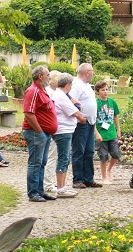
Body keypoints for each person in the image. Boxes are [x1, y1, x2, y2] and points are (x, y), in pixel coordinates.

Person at [21, 66, 57, 202]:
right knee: (35, 163)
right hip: (36, 132)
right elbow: (28, 113)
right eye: (48, 75)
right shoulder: (33, 91)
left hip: (43, 132)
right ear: (40, 76)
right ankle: (33, 192)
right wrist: (39, 131)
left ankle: (39, 191)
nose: (49, 77)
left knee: (42, 162)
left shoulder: (42, 90)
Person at [51, 74, 87, 197]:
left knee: (65, 158)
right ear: (68, 85)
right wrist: (83, 119)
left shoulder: (62, 95)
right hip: (63, 131)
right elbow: (75, 113)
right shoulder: (61, 96)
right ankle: (60, 188)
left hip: (65, 130)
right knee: (63, 159)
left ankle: (62, 186)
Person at [70, 63, 100, 188]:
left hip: (90, 122)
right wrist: (79, 116)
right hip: (81, 122)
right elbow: (71, 101)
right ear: (87, 72)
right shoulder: (76, 85)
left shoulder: (86, 85)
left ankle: (88, 178)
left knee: (89, 151)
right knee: (79, 150)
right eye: (92, 71)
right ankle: (78, 179)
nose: (93, 73)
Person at [95, 81, 122, 185]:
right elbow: (93, 120)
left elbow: (115, 116)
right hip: (101, 134)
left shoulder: (112, 102)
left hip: (111, 133)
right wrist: (96, 133)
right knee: (103, 156)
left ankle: (109, 169)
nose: (105, 92)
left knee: (116, 154)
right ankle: (104, 177)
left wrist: (118, 129)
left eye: (106, 89)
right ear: (97, 92)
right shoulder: (96, 104)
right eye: (103, 90)